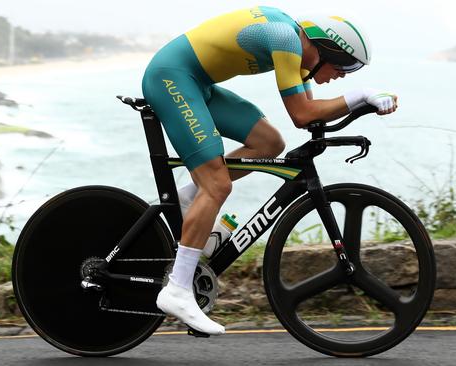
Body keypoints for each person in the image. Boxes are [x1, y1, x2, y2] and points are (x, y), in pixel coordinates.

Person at [141, 6, 398, 336]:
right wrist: (360, 96)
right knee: (217, 185)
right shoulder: (286, 40)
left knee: (269, 142)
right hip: (171, 78)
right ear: (325, 48)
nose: (344, 75)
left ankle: (188, 197)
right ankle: (177, 290)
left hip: (197, 82)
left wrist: (360, 103)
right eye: (345, 64)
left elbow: (311, 112)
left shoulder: (294, 43)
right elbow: (303, 114)